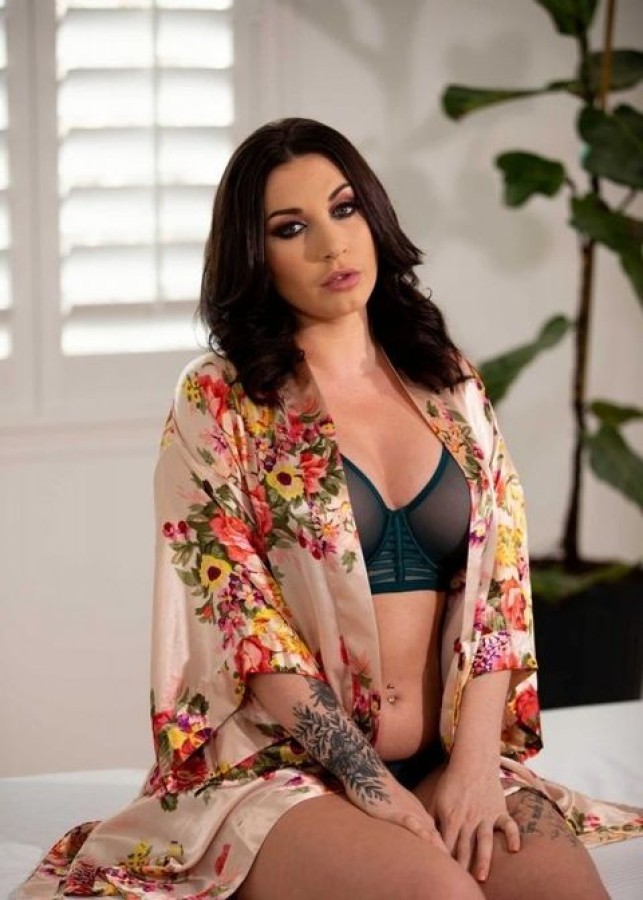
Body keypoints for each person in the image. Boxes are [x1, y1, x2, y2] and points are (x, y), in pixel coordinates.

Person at [19, 118, 642, 900]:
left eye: (343, 209)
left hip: (449, 757)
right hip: (288, 768)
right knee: (441, 896)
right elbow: (245, 623)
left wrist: (476, 768)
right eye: (291, 228)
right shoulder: (220, 398)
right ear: (255, 254)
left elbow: (500, 592)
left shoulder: (445, 379)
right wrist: (370, 783)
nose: (330, 244)